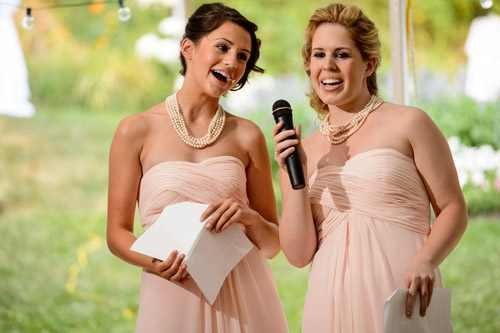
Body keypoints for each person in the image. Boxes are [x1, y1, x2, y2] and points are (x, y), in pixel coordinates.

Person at [272, 3, 467, 332]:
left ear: (369, 64)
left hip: (400, 291)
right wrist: (297, 179)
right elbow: (297, 254)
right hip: (328, 303)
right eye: (318, 55)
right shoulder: (299, 151)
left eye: (342, 54)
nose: (328, 66)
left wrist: (427, 260)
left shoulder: (409, 123)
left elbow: (453, 208)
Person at [107, 3, 288, 332]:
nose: (232, 62)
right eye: (222, 47)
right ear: (188, 48)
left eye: (243, 57)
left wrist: (247, 216)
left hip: (246, 297)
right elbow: (117, 233)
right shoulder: (135, 130)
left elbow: (274, 243)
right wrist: (156, 263)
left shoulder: (248, 135)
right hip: (172, 288)